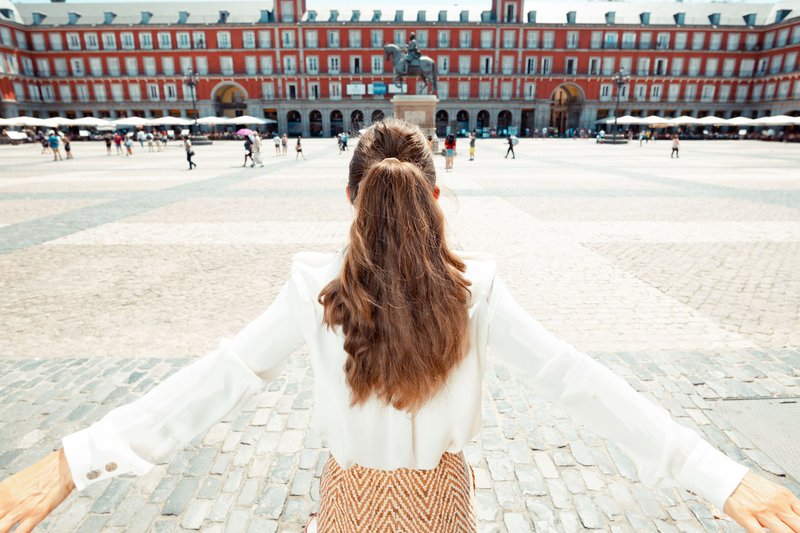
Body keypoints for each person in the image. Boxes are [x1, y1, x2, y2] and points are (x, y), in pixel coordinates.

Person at [2, 118, 799, 533]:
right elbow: (577, 381)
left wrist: (77, 457)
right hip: (443, 506)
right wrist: (715, 474)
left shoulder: (314, 289)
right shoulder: (476, 290)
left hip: (348, 503)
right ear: (435, 198)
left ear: (351, 199)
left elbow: (218, 378)